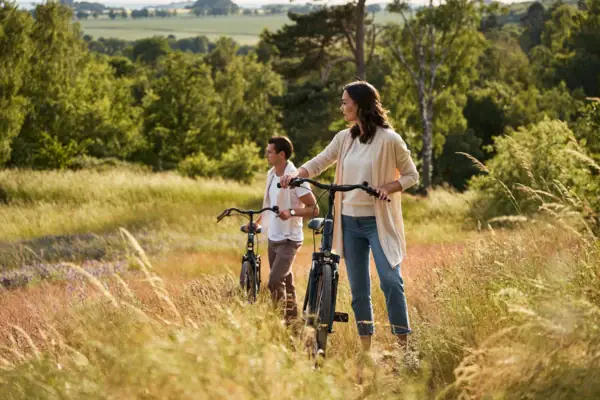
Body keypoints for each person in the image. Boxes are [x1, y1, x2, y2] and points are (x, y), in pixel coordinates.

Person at [280, 81, 419, 352]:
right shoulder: (345, 138)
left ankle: (404, 347)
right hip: (349, 222)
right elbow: (320, 161)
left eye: (345, 102)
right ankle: (367, 351)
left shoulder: (389, 139)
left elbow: (412, 175)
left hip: (377, 222)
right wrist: (296, 174)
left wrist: (388, 187)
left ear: (360, 104)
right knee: (358, 292)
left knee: (391, 282)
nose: (342, 107)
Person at [253, 136, 318, 323]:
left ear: (281, 154)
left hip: (289, 239)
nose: (266, 154)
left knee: (274, 281)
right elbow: (270, 205)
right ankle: (293, 325)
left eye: (270, 151)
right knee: (286, 284)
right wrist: (258, 222)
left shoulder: (297, 179)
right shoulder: (271, 174)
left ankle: (280, 321)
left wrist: (291, 212)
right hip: (273, 237)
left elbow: (314, 209)